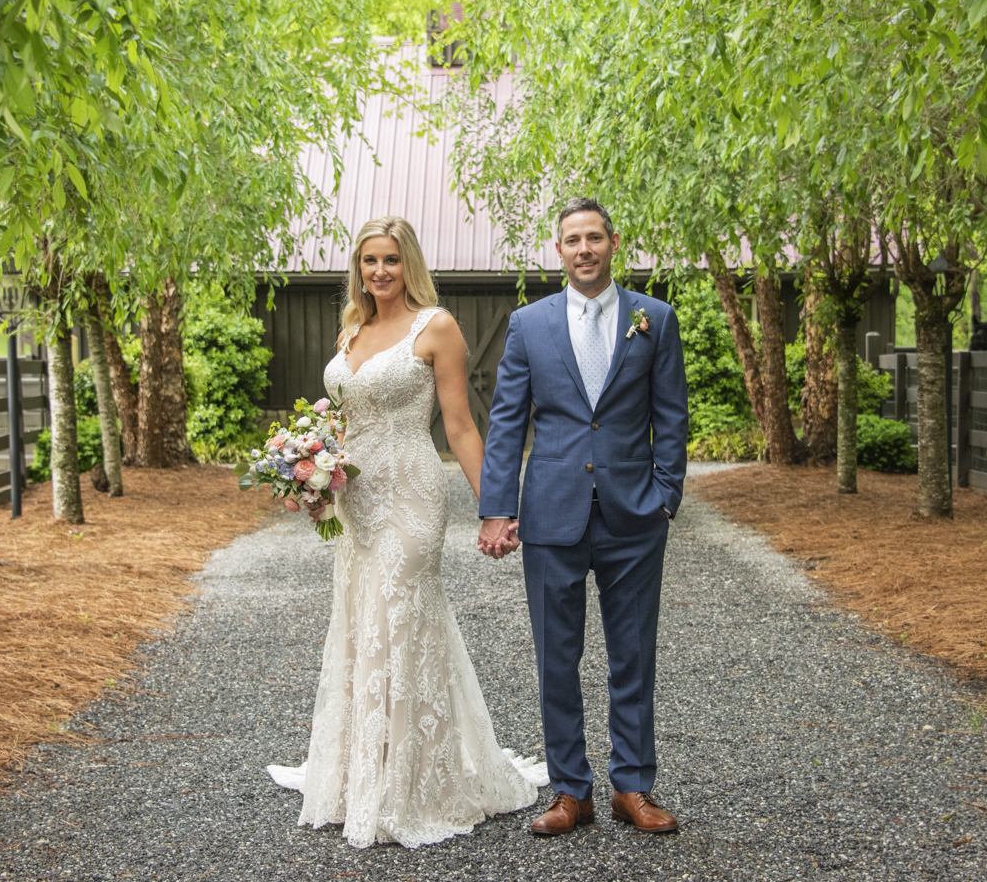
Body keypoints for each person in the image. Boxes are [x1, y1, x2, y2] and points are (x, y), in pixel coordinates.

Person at [266, 216, 546, 849]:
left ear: (408, 262)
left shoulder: (436, 327)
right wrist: (311, 479)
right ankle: (368, 768)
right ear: (358, 267)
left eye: (391, 260)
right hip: (354, 500)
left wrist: (496, 507)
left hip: (411, 495)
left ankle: (419, 783)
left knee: (404, 615)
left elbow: (462, 428)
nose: (380, 272)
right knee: (363, 620)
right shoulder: (351, 328)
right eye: (369, 261)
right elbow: (337, 425)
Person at [477, 198, 689, 837]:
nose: (585, 249)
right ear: (559, 248)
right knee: (555, 657)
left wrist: (666, 495)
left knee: (633, 655)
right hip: (552, 514)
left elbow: (672, 416)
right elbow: (508, 419)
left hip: (634, 516)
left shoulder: (655, 318)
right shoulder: (528, 324)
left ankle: (633, 786)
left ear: (613, 243)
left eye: (595, 238)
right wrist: (496, 509)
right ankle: (571, 790)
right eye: (573, 240)